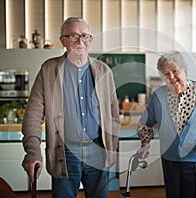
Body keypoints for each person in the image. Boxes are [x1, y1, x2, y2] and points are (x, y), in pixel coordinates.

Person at [21, 17, 120, 198]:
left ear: (90, 39)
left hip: (98, 150)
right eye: (74, 36)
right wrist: (33, 151)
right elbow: (33, 115)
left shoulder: (104, 70)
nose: (80, 41)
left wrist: (112, 147)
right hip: (64, 153)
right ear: (63, 40)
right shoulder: (48, 70)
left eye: (85, 36)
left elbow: (113, 114)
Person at [136, 51, 196, 198]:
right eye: (166, 74)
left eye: (175, 71)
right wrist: (145, 143)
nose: (171, 77)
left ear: (185, 71)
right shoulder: (159, 95)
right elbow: (146, 123)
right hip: (170, 159)